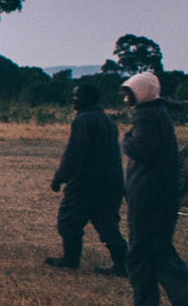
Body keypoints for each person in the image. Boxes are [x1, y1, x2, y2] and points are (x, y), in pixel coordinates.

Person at [118, 71, 188, 306]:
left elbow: (142, 150)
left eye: (130, 93)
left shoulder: (146, 117)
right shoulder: (159, 115)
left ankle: (170, 303)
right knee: (156, 249)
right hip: (161, 195)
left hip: (148, 197)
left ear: (141, 93)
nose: (127, 99)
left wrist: (126, 139)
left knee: (143, 254)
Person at [45, 82, 128, 277]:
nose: (73, 99)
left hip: (88, 182)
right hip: (111, 181)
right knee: (107, 224)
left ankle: (71, 259)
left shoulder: (83, 120)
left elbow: (74, 154)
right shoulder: (106, 119)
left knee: (68, 220)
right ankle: (123, 264)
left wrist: (59, 178)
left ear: (89, 98)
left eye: (77, 96)